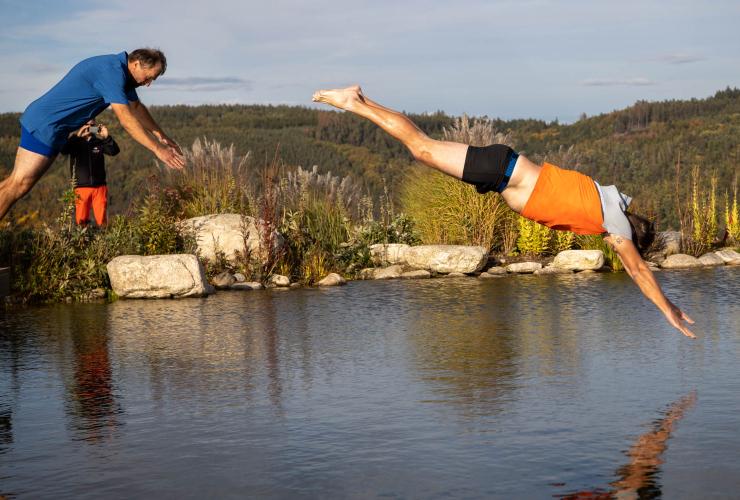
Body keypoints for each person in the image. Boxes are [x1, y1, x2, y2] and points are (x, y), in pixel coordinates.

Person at [312, 85, 696, 338]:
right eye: (622, 246)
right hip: (501, 171)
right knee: (421, 147)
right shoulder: (613, 222)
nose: (616, 248)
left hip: (502, 170)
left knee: (422, 147)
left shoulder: (607, 199)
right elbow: (638, 271)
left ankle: (360, 99)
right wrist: (668, 308)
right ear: (629, 236)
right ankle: (354, 103)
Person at [0, 48, 185, 221]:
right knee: (20, 184)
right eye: (148, 77)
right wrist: (158, 149)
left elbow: (136, 107)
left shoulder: (124, 75)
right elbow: (127, 120)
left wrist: (161, 135)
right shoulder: (111, 72)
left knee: (15, 184)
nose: (148, 84)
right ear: (136, 64)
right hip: (46, 124)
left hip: (56, 129)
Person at [62, 120, 119, 226]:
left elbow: (114, 151)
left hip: (99, 187)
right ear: (81, 125)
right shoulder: (75, 143)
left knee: (102, 221)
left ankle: (103, 236)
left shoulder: (99, 142)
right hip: (81, 188)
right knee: (81, 222)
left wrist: (106, 137)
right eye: (86, 125)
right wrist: (77, 136)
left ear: (95, 126)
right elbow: (64, 150)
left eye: (92, 125)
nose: (88, 127)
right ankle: (82, 237)